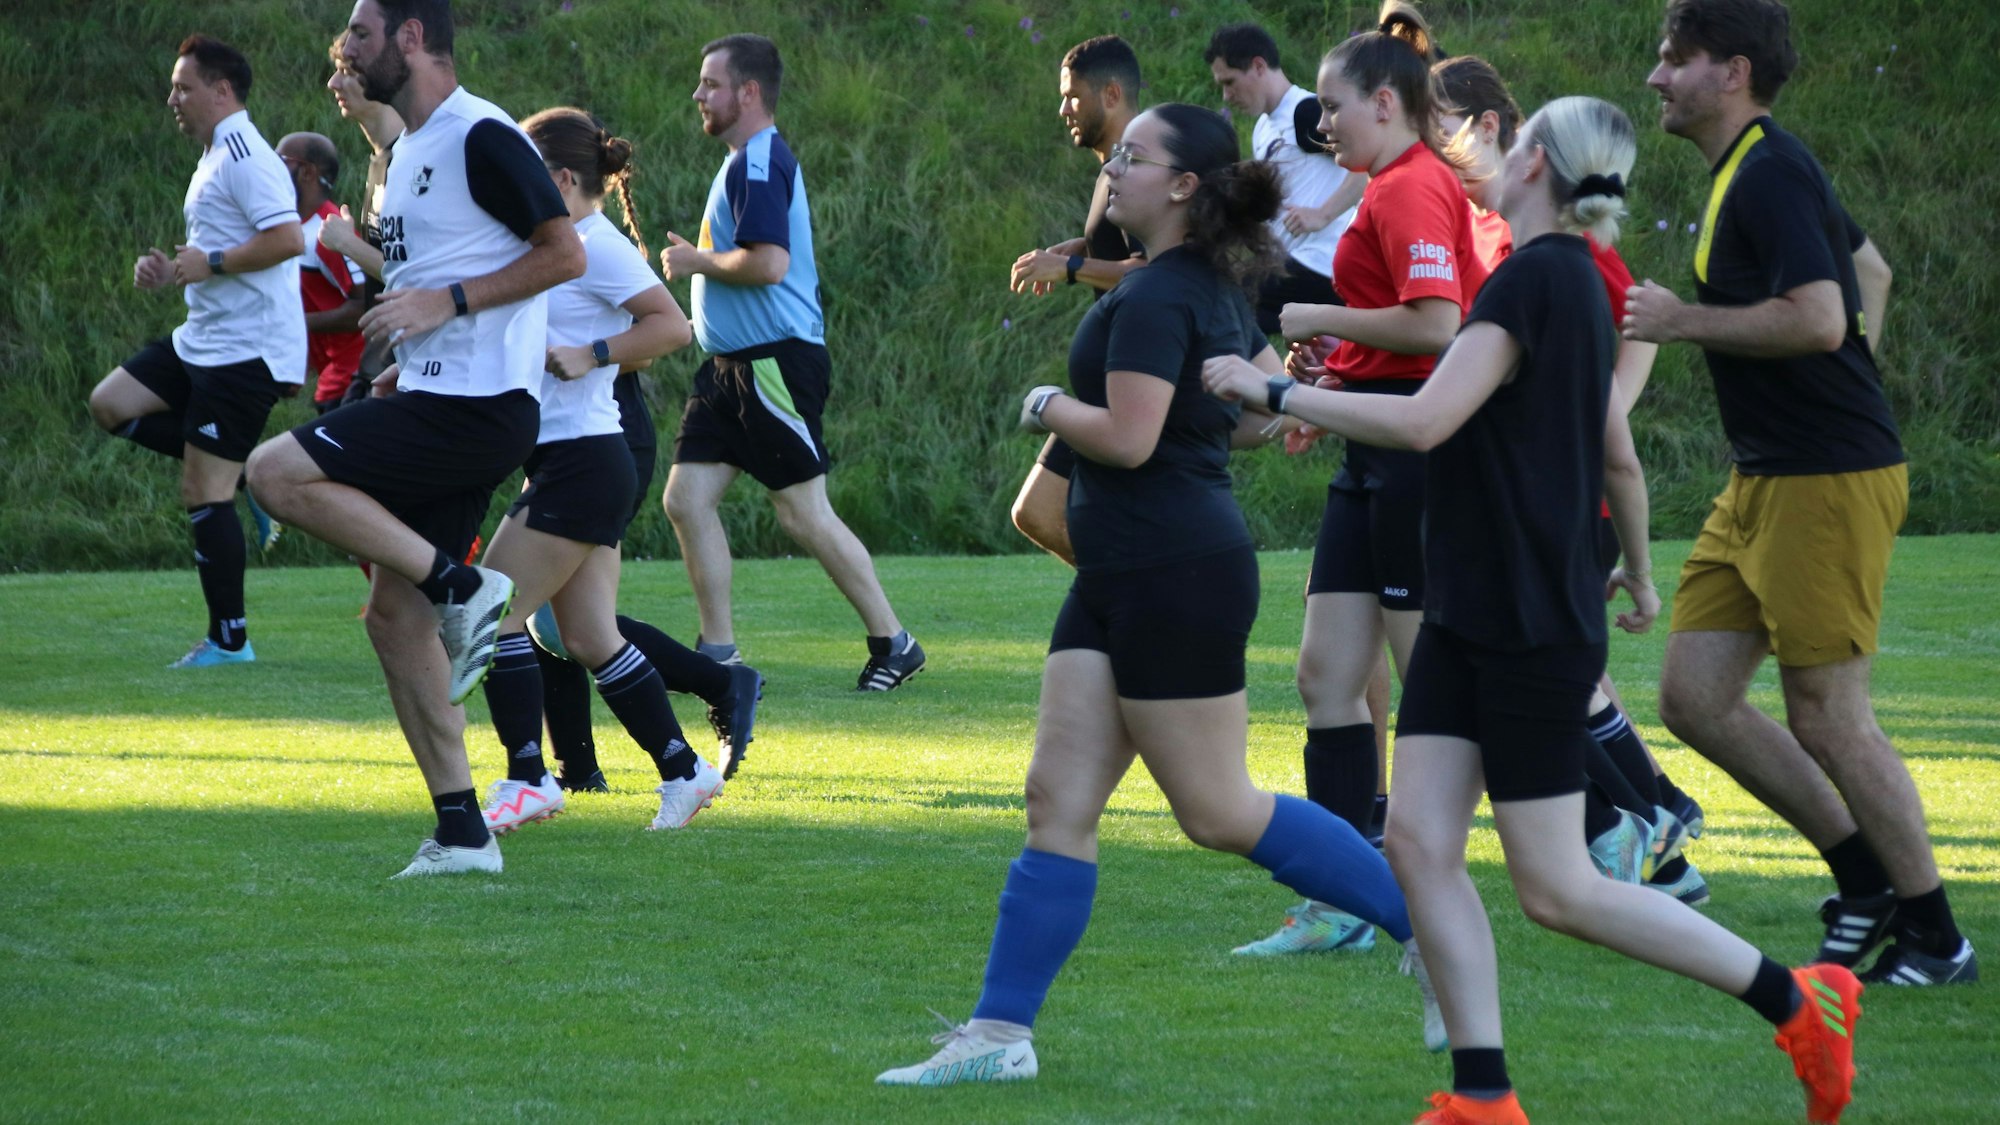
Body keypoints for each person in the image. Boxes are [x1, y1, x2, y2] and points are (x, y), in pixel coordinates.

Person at [1205, 93, 1863, 1125]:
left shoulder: (1532, 280)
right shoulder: (1560, 280)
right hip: (1472, 603)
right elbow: (1609, 442)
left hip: (1524, 621)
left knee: (1555, 890)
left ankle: (1798, 1000)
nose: (1489, 150)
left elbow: (1424, 420)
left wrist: (1275, 394)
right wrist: (1637, 570)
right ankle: (1481, 1096)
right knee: (1419, 842)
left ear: (1532, 170)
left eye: (1508, 146)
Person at [876, 103, 1439, 1089]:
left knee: (1217, 809)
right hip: (1121, 571)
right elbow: (1257, 419)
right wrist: (1265, 402)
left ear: (1183, 187)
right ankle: (997, 1034)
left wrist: (1046, 406)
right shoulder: (1206, 287)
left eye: (1133, 158)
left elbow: (1129, 439)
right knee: (1055, 800)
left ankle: (1429, 924)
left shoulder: (1161, 298)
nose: (1114, 169)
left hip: (1172, 568)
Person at [1626, 0, 1974, 984]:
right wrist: (1841, 386)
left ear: (1729, 70)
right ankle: (1862, 878)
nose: (1654, 77)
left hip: (1824, 476)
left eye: (1672, 59)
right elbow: (1870, 269)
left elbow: (1822, 317)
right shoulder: (1752, 167)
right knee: (1693, 696)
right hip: (1769, 474)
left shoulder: (1767, 174)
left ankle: (1935, 938)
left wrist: (1680, 319)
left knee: (1825, 711)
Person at [244, 0, 586, 878]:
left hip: (480, 411)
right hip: (440, 392)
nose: (344, 50)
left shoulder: (482, 133)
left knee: (273, 471)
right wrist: (417, 349)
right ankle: (464, 832)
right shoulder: (406, 152)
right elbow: (434, 272)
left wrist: (449, 306)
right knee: (393, 621)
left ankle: (461, 585)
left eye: (359, 33)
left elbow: (563, 254)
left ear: (411, 37)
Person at [1232, 3, 1487, 958]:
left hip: (1419, 456)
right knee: (1326, 676)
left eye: (1334, 108)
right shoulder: (1383, 185)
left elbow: (1437, 325)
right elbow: (1395, 328)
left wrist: (1314, 316)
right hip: (1369, 451)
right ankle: (1346, 898)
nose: (1322, 124)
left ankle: (1596, 829)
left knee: (1433, 685)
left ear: (1386, 103)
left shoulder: (1410, 188)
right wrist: (1334, 374)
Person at [1433, 55, 1705, 903]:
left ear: (1520, 150)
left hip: (1550, 512)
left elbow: (1625, 381)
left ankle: (1647, 819)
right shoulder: (1529, 251)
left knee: (1557, 690)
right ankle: (1648, 826)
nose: (1448, 141)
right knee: (1563, 690)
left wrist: (1590, 411)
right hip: (1535, 512)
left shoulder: (1568, 263)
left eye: (1446, 118)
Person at [468, 106, 752, 836]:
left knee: (490, 610)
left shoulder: (594, 245)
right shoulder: (556, 244)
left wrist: (592, 353)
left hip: (585, 460)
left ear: (563, 179)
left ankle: (528, 777)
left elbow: (672, 326)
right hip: (572, 460)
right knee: (590, 637)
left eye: (530, 180)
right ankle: (684, 771)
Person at [660, 34, 924, 690]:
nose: (699, 95)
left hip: (772, 365)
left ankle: (895, 642)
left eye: (711, 84)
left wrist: (695, 263)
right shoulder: (744, 161)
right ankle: (718, 654)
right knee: (687, 500)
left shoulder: (758, 161)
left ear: (748, 93)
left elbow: (768, 264)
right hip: (729, 369)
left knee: (802, 512)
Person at [86, 34, 305, 669]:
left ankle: (230, 641)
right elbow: (220, 251)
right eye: (173, 87)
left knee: (200, 491)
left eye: (184, 87)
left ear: (221, 90)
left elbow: (287, 238)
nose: (172, 98)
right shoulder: (213, 154)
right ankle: (238, 476)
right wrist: (171, 270)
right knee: (110, 404)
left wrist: (211, 261)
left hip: (244, 352)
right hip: (200, 341)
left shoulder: (245, 154)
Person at [1005, 35, 1148, 566]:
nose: (1063, 109)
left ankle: (1139, 605)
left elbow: (1156, 272)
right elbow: (1129, 247)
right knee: (1038, 512)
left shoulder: (1139, 164)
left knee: (1041, 511)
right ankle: (1134, 608)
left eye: (1073, 97)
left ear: (1111, 94)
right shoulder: (1116, 162)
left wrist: (1069, 268)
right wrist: (1082, 246)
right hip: (1112, 375)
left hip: (1140, 379)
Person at [1204, 22, 1368, 335]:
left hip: (1322, 261)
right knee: (1230, 318)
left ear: (1258, 66)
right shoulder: (1263, 128)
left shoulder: (1307, 112)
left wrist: (1322, 214)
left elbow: (1365, 167)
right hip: (1290, 263)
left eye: (1230, 82)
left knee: (1221, 302)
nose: (1226, 96)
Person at [317, 34, 404, 407]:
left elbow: (419, 275)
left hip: (401, 369)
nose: (333, 83)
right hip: (374, 365)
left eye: (346, 73)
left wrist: (347, 244)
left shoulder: (409, 165)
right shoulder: (380, 161)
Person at [277, 132, 367, 414]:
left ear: (307, 171)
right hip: (333, 378)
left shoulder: (327, 232)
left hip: (353, 378)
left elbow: (364, 308)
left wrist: (292, 324)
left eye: (280, 160)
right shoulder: (291, 228)